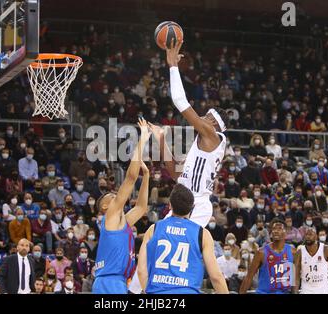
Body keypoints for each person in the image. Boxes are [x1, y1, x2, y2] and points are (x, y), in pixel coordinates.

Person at [148, 39, 228, 228]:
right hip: (185, 199)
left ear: (214, 122)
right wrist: (161, 140)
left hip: (196, 203)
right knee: (155, 236)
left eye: (205, 115)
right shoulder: (203, 144)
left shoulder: (212, 135)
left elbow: (179, 100)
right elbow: (177, 174)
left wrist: (173, 66)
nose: (200, 117)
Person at [93, 118, 150, 294]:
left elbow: (141, 208)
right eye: (110, 196)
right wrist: (143, 139)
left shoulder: (121, 222)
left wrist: (146, 175)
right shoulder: (110, 215)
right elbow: (130, 178)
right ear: (104, 207)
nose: (114, 195)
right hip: (109, 283)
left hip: (118, 282)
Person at [137, 183, 229, 294]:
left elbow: (142, 271)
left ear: (170, 205)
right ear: (193, 207)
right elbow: (216, 277)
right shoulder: (202, 234)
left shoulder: (154, 229)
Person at [240, 218, 296, 294]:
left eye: (280, 228)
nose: (276, 231)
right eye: (274, 229)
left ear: (285, 232)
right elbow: (249, 277)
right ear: (270, 233)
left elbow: (295, 277)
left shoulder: (292, 251)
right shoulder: (261, 252)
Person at [293, 228, 328, 294]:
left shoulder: (326, 249)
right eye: (306, 234)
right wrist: (295, 291)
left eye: (310, 234)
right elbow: (296, 275)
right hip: (306, 290)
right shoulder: (300, 252)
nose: (308, 237)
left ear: (316, 236)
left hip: (323, 289)